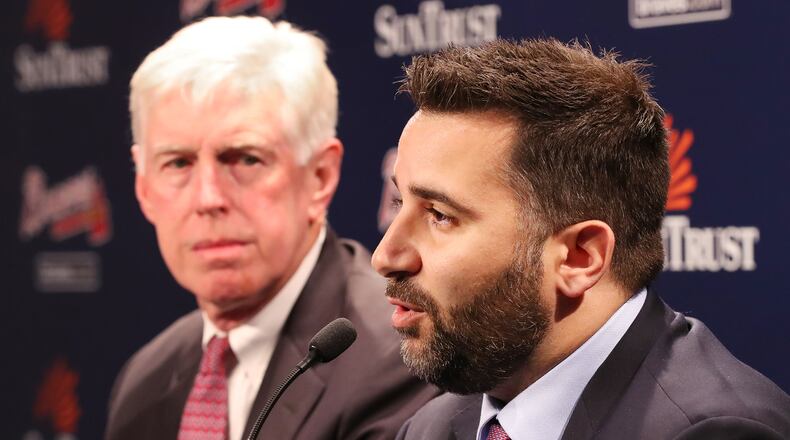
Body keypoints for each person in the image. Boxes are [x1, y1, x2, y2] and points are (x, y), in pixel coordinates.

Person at [372, 38, 790, 440]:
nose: (385, 256)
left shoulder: (713, 431)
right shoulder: (431, 427)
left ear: (579, 256)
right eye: (397, 201)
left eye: (440, 216)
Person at [105, 16, 438, 440]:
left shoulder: (404, 356)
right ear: (144, 189)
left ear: (319, 176)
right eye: (178, 163)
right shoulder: (145, 379)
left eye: (245, 159)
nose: (208, 198)